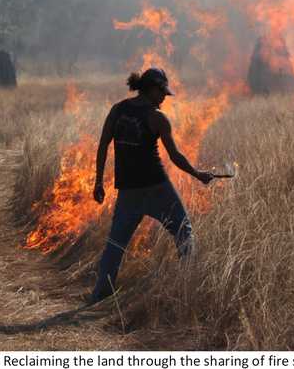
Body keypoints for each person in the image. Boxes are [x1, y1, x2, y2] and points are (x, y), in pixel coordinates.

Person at [89, 67, 214, 304]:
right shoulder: (157, 117)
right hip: (157, 187)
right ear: (151, 89)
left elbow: (103, 145)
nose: (164, 97)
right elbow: (175, 156)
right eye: (162, 92)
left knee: (115, 244)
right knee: (183, 232)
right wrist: (198, 174)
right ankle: (191, 287)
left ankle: (100, 295)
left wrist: (98, 182)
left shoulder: (118, 110)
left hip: (128, 190)